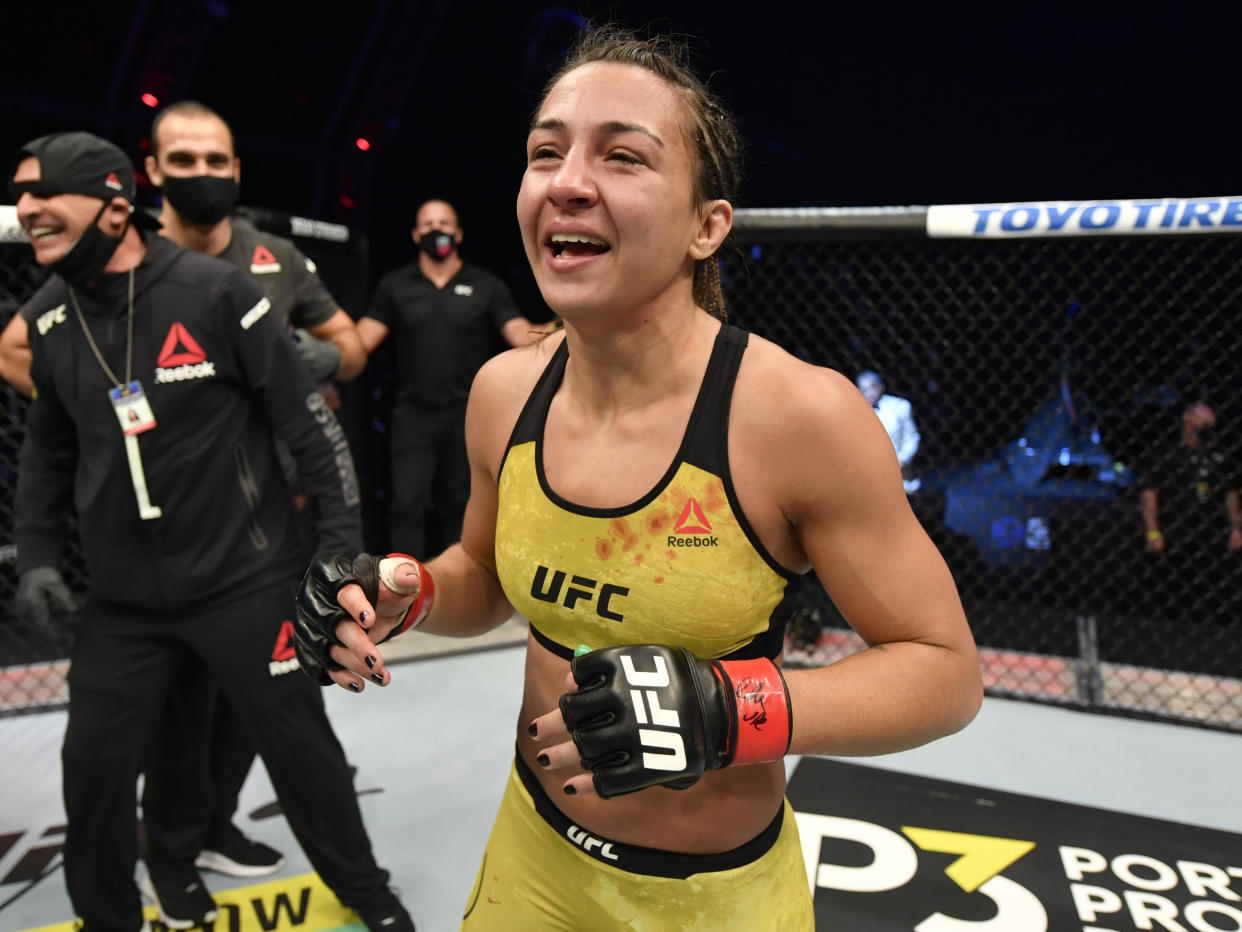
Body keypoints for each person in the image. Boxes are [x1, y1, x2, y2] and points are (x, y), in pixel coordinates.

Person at [293, 25, 981, 931]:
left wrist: (730, 710)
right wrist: (404, 592)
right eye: (546, 152)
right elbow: (488, 577)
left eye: (623, 156)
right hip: (531, 858)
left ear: (707, 226)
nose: (567, 181)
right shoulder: (505, 392)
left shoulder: (795, 419)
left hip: (717, 899)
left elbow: (944, 674)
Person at [9, 131, 413, 931]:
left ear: (117, 207)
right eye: (20, 192)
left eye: (45, 191)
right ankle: (115, 913)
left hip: (243, 579)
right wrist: (40, 556)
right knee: (92, 766)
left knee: (300, 747)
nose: (26, 208)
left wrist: (336, 551)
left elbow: (308, 428)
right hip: (124, 601)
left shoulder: (215, 293)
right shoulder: (52, 320)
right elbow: (47, 454)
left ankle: (369, 895)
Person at [136, 99, 368, 898]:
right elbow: (27, 346)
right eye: (185, 161)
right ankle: (172, 837)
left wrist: (306, 357)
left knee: (266, 691)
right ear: (153, 170)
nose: (203, 174)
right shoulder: (128, 264)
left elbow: (352, 347)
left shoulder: (274, 258)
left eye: (216, 161)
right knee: (177, 701)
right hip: (169, 523)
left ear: (236, 170)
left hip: (275, 515)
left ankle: (214, 824)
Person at [357, 199, 538, 558]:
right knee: (406, 506)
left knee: (464, 507)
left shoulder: (485, 284)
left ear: (458, 233)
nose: (436, 230)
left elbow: (521, 334)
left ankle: (459, 595)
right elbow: (360, 341)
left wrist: (572, 325)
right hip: (413, 416)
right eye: (427, 225)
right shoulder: (396, 286)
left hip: (468, 417)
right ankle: (404, 594)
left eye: (444, 223)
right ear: (415, 234)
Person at [1139, 400, 1241, 623]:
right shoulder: (1166, 454)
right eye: (1203, 425)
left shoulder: (1219, 456)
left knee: (1217, 598)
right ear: (1188, 424)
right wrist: (1153, 531)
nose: (1209, 432)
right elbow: (1149, 493)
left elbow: (1230, 493)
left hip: (1212, 536)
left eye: (1211, 426)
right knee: (1171, 597)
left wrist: (1236, 527)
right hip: (1175, 535)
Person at [857, 368, 922, 493]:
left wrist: (902, 460)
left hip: (903, 476)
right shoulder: (856, 413)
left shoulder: (900, 406)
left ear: (881, 386)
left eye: (873, 386)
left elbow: (912, 437)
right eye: (864, 389)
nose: (870, 392)